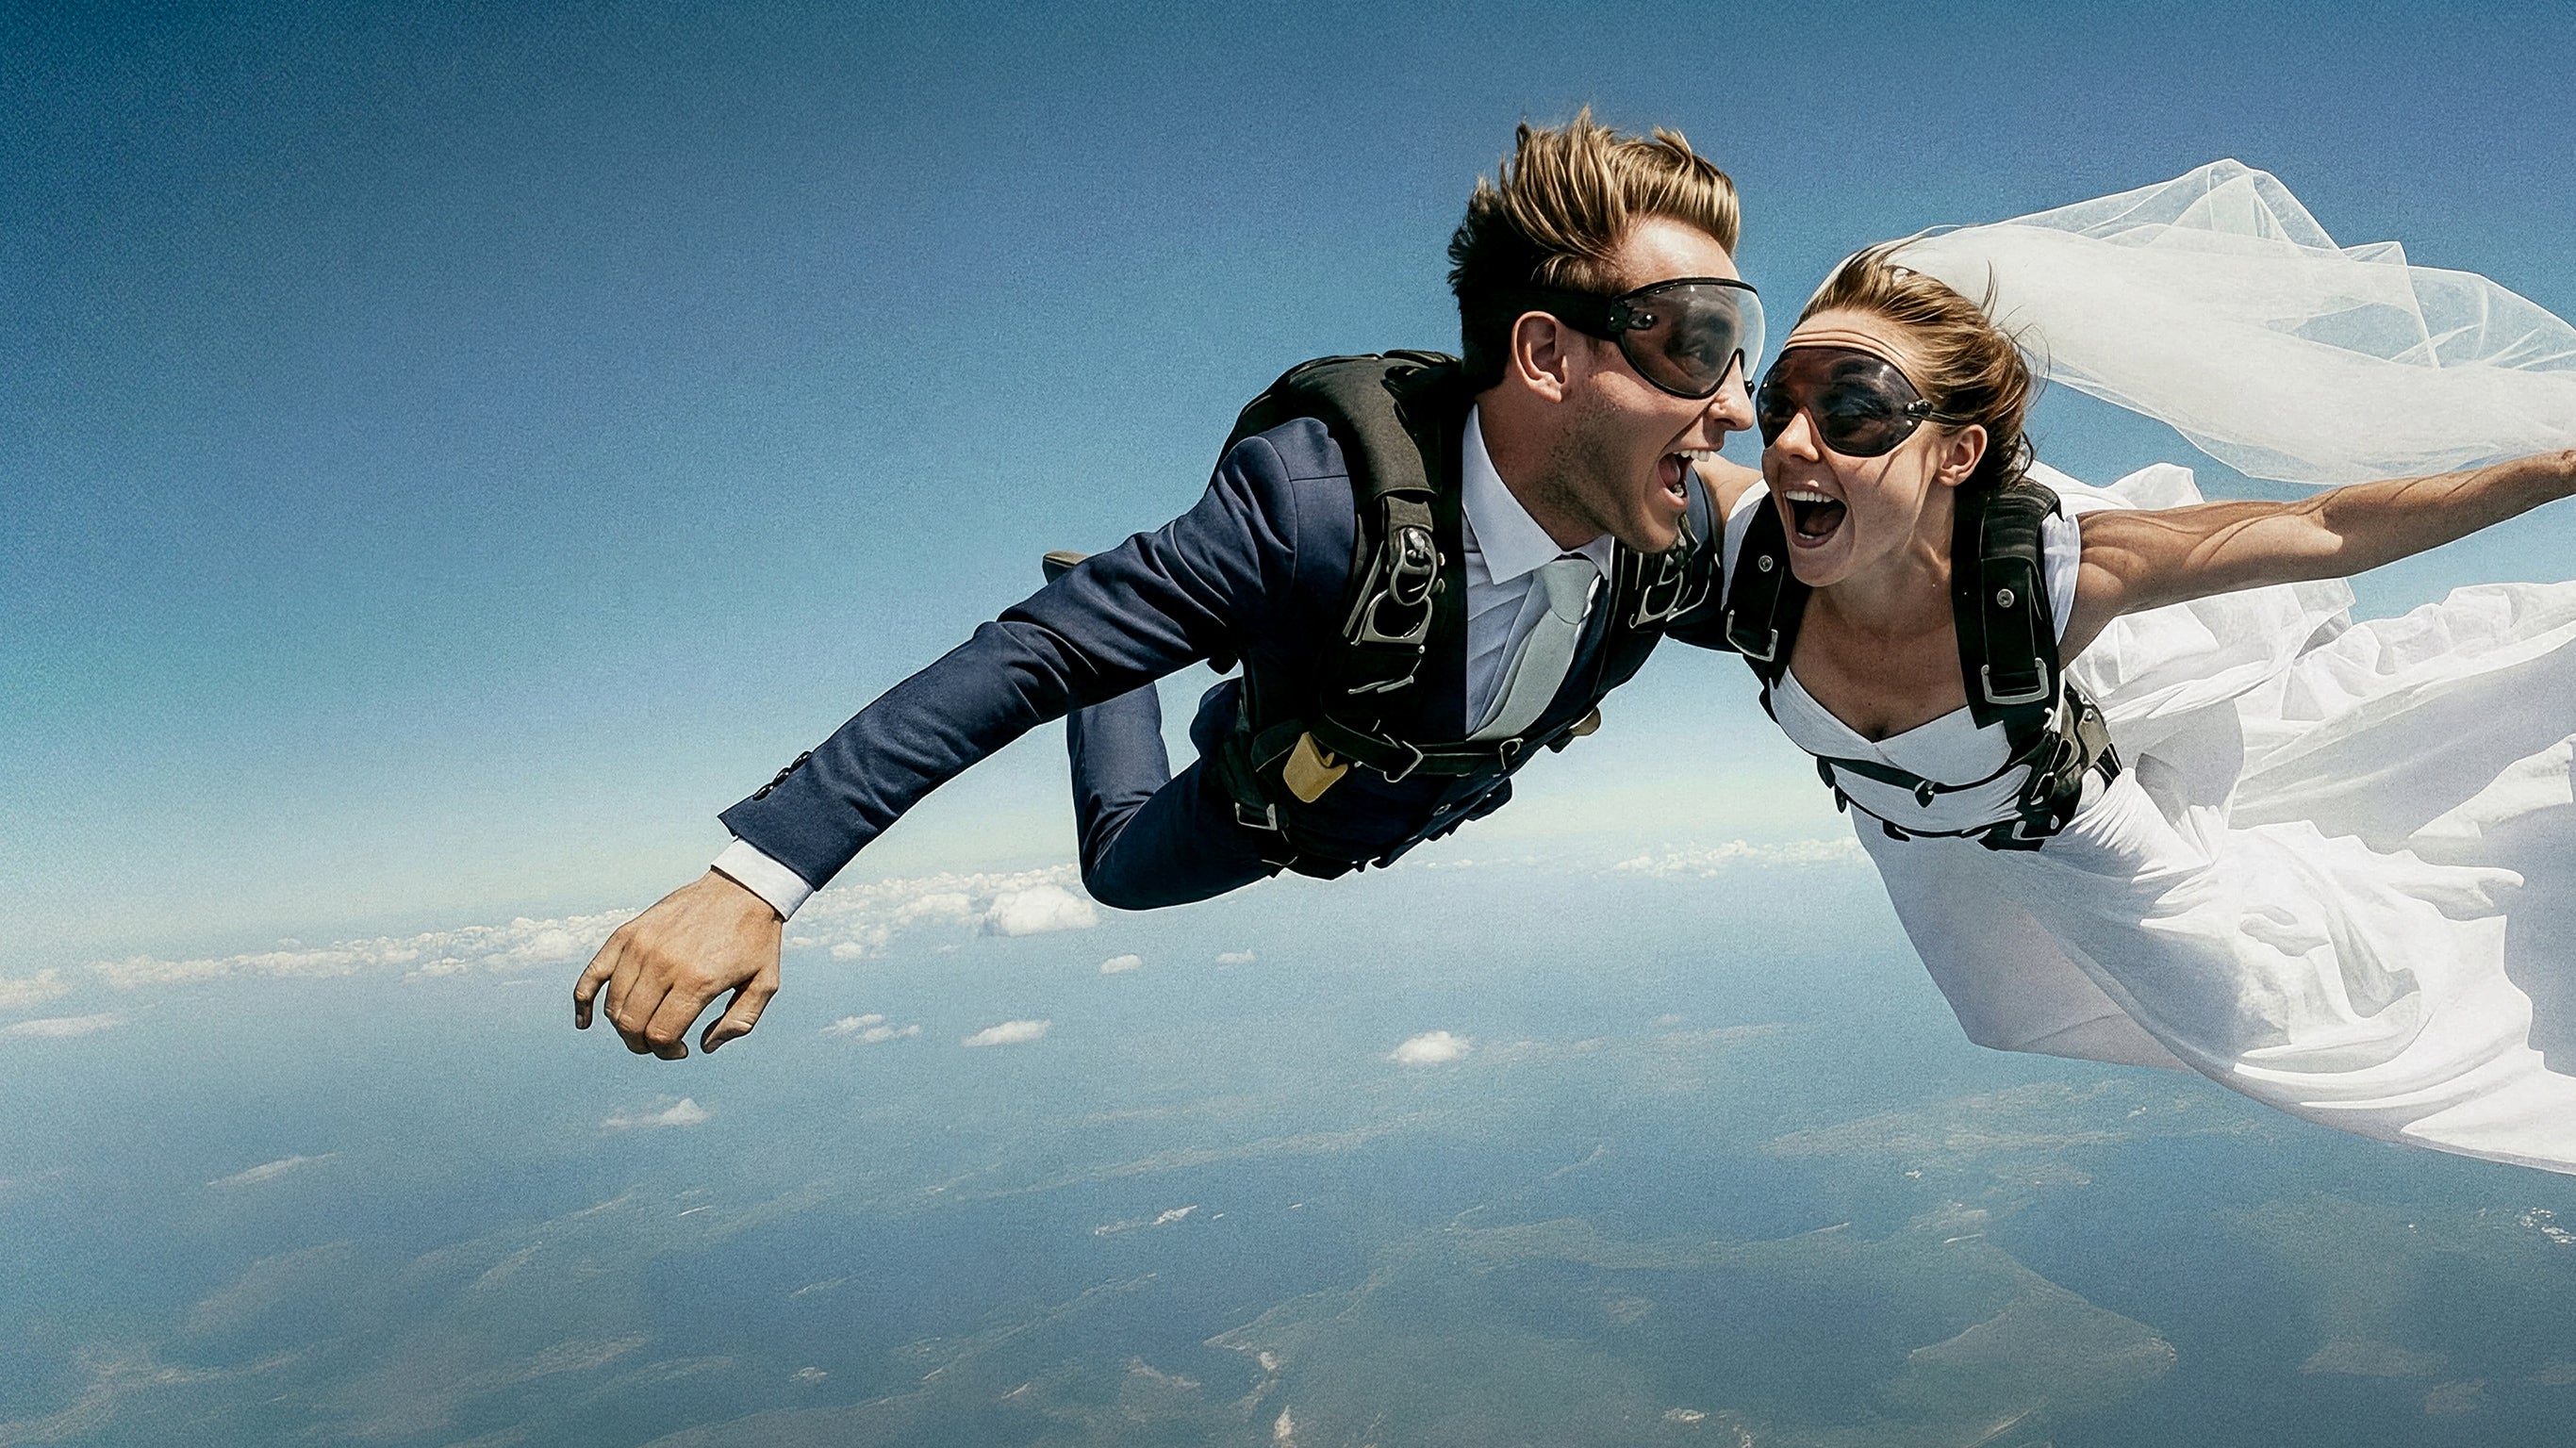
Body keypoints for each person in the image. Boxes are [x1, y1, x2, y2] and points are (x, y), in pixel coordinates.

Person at [575, 112, 1767, 1060]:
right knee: (1117, 871)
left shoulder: (1673, 533)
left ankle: (1145, 631)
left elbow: (1863, 590)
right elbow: (1028, 659)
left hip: (1397, 759)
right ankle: (1123, 615)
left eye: (1741, 346)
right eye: (1693, 341)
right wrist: (757, 877)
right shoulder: (1312, 508)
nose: (1734, 403)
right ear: (1546, 353)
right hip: (1271, 798)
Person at [1719, 179, 2576, 1173]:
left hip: (2084, 850)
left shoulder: (2041, 582)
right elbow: (1565, 452)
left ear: (1954, 452)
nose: (1785, 443)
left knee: (2322, 1022)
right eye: (1779, 402)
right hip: (1930, 865)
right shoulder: (1742, 550)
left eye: (1854, 411)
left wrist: (2555, 471)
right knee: (2003, 1015)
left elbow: (2327, 528)